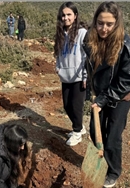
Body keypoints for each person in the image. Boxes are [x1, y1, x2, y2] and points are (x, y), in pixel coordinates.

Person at [83, 1, 130, 188]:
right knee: (95, 131)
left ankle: (113, 171)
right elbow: (90, 67)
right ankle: (101, 162)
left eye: (109, 24)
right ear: (95, 21)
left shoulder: (129, 48)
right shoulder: (89, 40)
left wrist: (104, 99)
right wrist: (91, 90)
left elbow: (128, 80)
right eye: (100, 23)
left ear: (117, 23)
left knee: (113, 136)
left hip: (120, 95)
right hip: (99, 93)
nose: (104, 28)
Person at [54, 2, 88, 146]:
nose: (65, 18)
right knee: (67, 106)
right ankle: (80, 127)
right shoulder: (61, 33)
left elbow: (87, 56)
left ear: (75, 16)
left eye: (69, 14)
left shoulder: (82, 33)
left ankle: (77, 133)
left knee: (76, 105)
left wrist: (86, 76)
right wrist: (58, 67)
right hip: (65, 76)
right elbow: (59, 54)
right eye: (63, 15)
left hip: (79, 77)